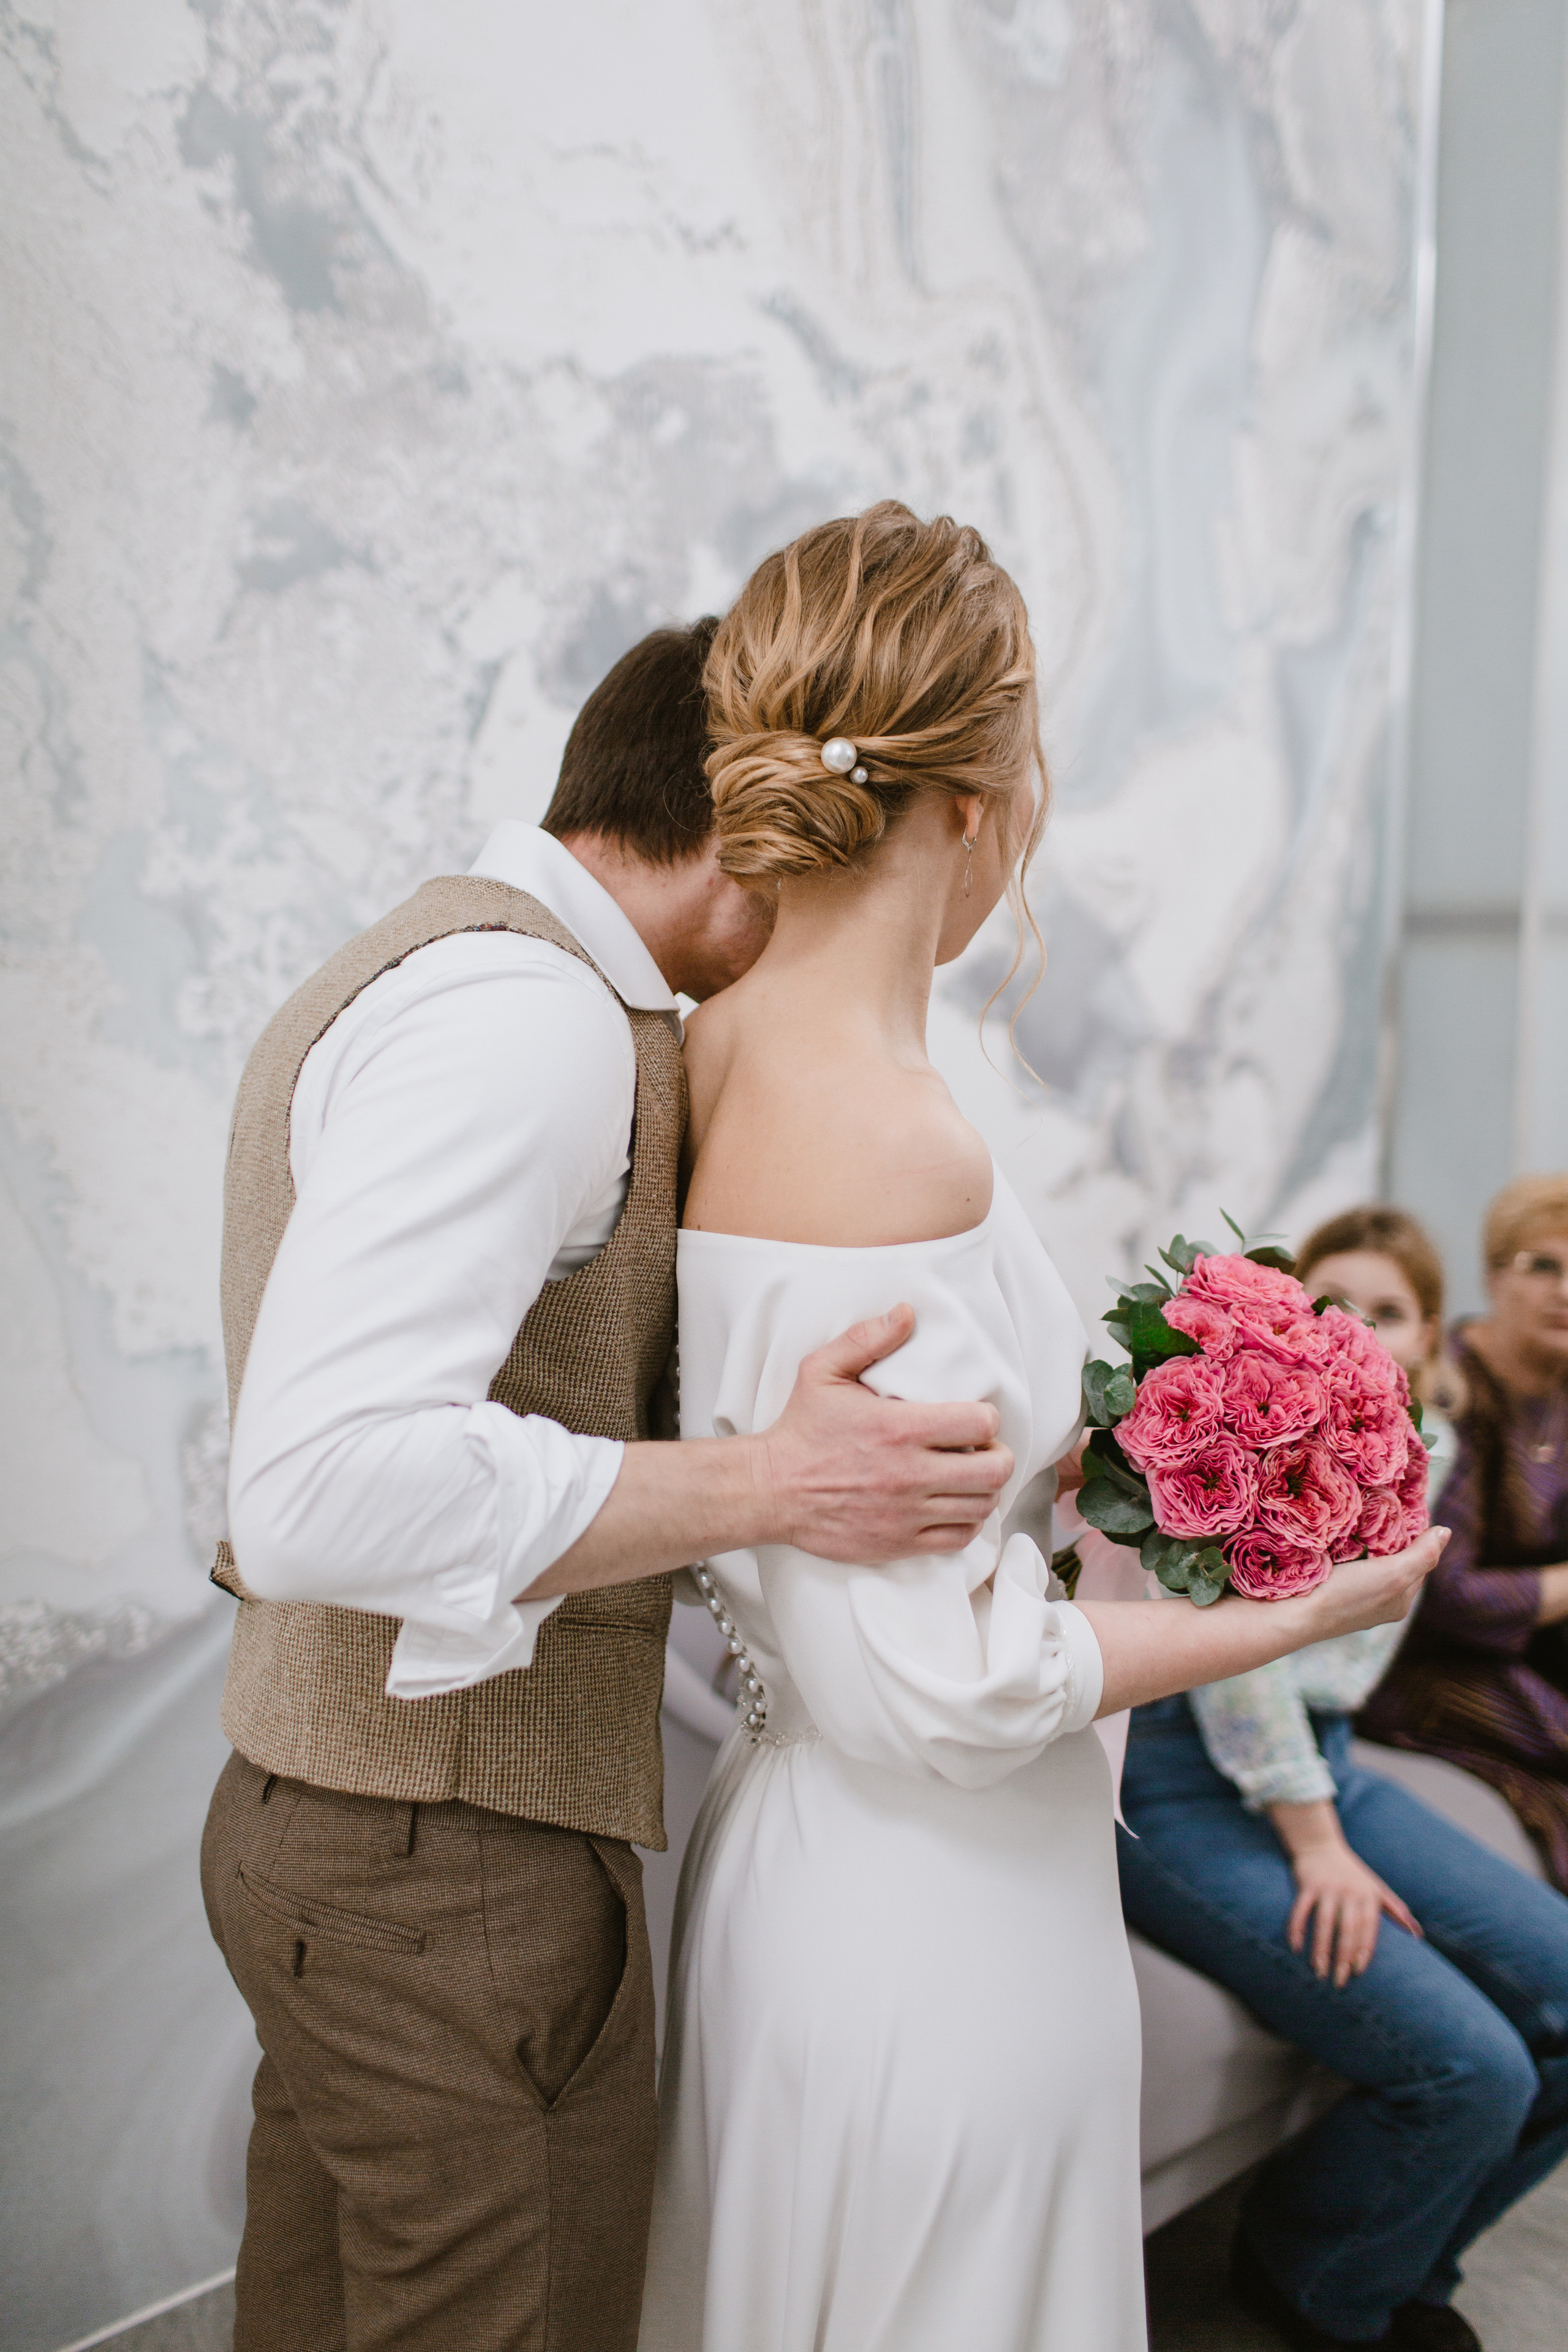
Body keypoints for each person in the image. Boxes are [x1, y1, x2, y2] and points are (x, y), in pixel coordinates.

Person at [637, 505, 1445, 2352]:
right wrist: (1305, 1611)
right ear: (983, 793)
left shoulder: (724, 1043)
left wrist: (1102, 1470)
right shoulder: (887, 1124)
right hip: (938, 1904)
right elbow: (938, 1685)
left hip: (813, 1872)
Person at [199, 619, 1025, 2352]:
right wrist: (773, 1482)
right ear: (747, 820)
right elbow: (319, 1489)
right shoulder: (532, 1023)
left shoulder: (447, 969)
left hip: (338, 1826)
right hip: (443, 1868)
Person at [1116, 1200, 1568, 2352]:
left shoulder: (1430, 1453)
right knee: (1472, 2070)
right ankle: (1318, 2286)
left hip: (1326, 1760)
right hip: (1180, 1778)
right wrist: (1320, 1848)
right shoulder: (1241, 1433)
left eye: (1392, 1310)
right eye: (1335, 1302)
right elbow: (1243, 1663)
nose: (1359, 1325)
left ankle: (1402, 2261)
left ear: (1429, 1340)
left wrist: (1330, 1811)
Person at [1359, 1174, 1568, 1888]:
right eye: (1543, 1265)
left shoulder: (1562, 1392)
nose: (1565, 1290)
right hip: (1422, 1658)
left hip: (1523, 1652)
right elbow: (1446, 1595)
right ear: (1491, 1275)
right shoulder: (1452, 1390)